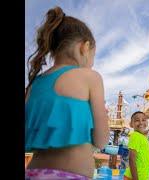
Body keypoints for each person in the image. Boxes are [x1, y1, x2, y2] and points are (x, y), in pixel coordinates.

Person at [25, 6, 109, 179]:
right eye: (93, 57)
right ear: (84, 48)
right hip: (72, 175)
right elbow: (101, 140)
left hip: (33, 172)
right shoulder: (90, 77)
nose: (91, 64)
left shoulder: (35, 83)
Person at [124, 111, 149, 180]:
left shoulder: (142, 137)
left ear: (147, 123)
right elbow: (131, 159)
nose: (141, 122)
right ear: (131, 124)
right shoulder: (135, 136)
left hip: (142, 177)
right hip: (134, 177)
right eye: (137, 120)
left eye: (143, 120)